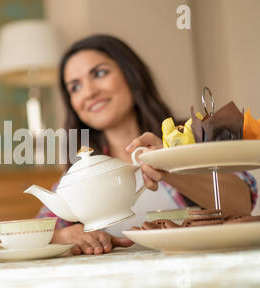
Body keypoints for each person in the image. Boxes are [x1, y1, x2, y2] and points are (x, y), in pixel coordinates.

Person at [37, 34, 257, 255]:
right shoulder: (79, 173)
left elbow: (242, 204)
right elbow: (38, 233)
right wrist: (64, 236)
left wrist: (169, 164)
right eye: (75, 87)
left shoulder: (192, 135)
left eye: (100, 73)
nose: (89, 92)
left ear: (131, 75)